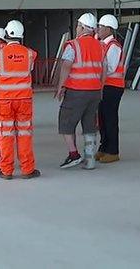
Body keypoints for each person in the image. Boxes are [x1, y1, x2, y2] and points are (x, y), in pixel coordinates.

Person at [54, 13, 105, 170]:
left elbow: (66, 66)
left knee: (66, 122)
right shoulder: (101, 46)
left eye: (78, 25)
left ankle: (73, 154)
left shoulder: (73, 45)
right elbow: (104, 70)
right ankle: (90, 159)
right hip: (94, 92)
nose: (76, 28)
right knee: (89, 124)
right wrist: (100, 89)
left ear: (82, 27)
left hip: (76, 91)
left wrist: (61, 87)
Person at [0, 20, 40, 179]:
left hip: (5, 100)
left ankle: (6, 171)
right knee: (24, 134)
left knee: (5, 135)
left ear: (5, 35)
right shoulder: (30, 53)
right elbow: (30, 69)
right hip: (24, 100)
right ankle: (27, 169)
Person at [96, 14, 126, 163]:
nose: (98, 29)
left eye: (100, 27)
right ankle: (104, 147)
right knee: (102, 118)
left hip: (112, 87)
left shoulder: (113, 46)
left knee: (110, 118)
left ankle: (113, 150)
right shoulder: (103, 44)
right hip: (105, 86)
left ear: (108, 29)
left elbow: (110, 67)